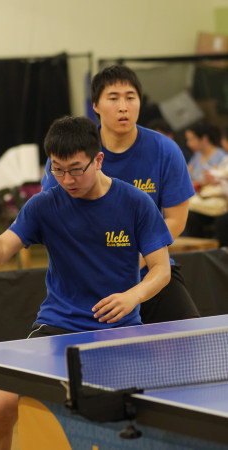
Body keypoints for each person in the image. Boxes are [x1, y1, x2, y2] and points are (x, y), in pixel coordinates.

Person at [0, 116, 172, 450]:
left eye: (76, 169)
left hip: (119, 329)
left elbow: (161, 270)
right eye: (57, 169)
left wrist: (132, 296)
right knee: (0, 409)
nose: (67, 179)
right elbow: (1, 251)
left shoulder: (135, 203)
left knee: (147, 417)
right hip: (58, 327)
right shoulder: (44, 205)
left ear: (98, 159)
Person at [42, 64, 200, 325]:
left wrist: (134, 259)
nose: (123, 106)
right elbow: (55, 217)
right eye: (113, 98)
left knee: (187, 339)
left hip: (151, 269)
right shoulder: (71, 152)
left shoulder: (165, 150)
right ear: (95, 105)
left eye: (130, 97)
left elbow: (176, 220)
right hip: (90, 277)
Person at [184, 124, 228, 245]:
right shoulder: (197, 156)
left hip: (216, 199)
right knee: (189, 214)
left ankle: (220, 256)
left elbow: (219, 179)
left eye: (191, 139)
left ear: (203, 138)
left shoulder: (220, 156)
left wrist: (212, 179)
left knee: (222, 220)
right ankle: (196, 249)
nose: (188, 143)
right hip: (202, 196)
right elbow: (186, 175)